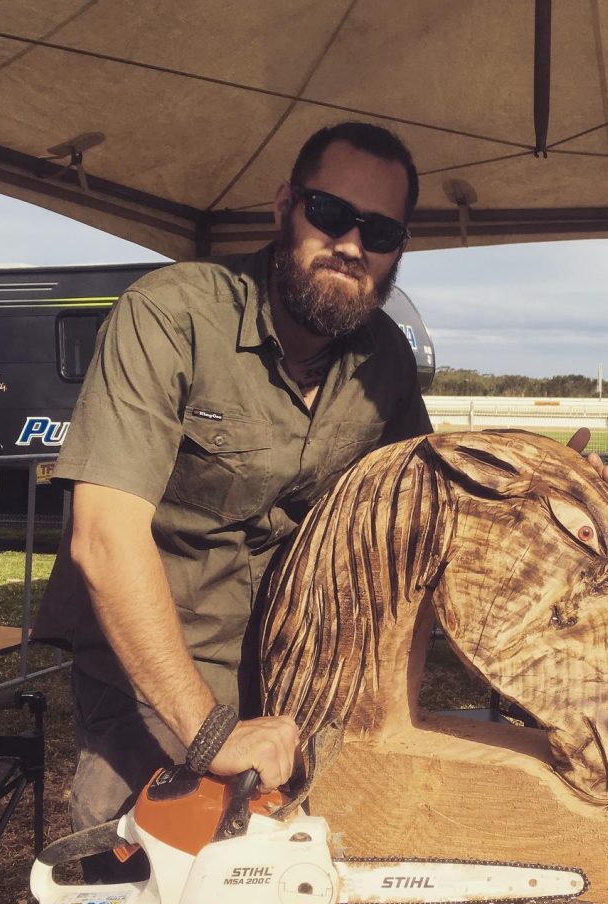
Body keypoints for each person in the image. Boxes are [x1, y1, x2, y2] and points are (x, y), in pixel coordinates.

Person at [34, 122, 435, 851]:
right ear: (285, 205)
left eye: (378, 230)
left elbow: (427, 506)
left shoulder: (387, 364)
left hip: (299, 684)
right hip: (158, 677)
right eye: (331, 213)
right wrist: (209, 729)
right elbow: (104, 537)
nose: (351, 244)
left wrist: (550, 490)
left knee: (289, 900)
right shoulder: (171, 314)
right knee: (142, 896)